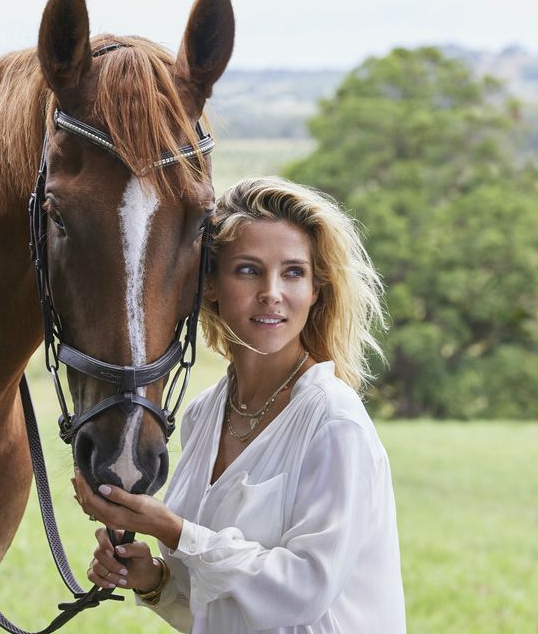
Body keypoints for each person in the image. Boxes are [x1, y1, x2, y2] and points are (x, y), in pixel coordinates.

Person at [72, 176, 406, 633]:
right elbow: (223, 610)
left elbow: (303, 592)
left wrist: (173, 530)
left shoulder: (333, 421)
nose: (272, 291)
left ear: (316, 290)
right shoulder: (203, 415)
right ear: (210, 285)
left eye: (293, 272)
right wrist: (153, 580)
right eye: (248, 269)